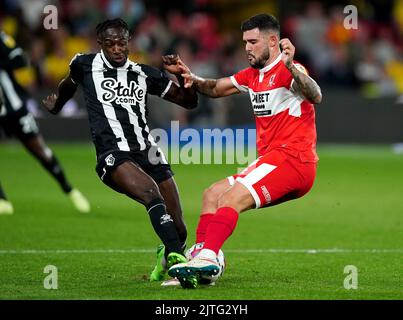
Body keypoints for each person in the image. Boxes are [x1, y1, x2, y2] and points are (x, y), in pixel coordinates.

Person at [168, 13, 322, 288]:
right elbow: (215, 88)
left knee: (231, 197)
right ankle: (200, 263)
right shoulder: (252, 76)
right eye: (245, 42)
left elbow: (315, 95)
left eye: (253, 41)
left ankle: (209, 257)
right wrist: (192, 77)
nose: (247, 48)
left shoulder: (290, 70)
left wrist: (292, 68)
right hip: (272, 160)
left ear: (273, 41)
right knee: (212, 195)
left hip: (293, 160)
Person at [42, 18, 198, 281]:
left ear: (128, 43)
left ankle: (166, 257)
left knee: (179, 228)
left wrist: (181, 74)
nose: (117, 49)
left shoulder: (145, 73)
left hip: (148, 152)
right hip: (113, 153)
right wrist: (57, 105)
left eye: (122, 43)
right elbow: (68, 84)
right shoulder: (84, 64)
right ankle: (180, 264)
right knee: (152, 194)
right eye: (111, 44)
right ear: (101, 44)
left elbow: (189, 101)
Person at [0, 30, 90, 215]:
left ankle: (69, 189)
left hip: (14, 108)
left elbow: (20, 60)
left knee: (41, 151)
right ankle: (2, 200)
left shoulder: (1, 38)